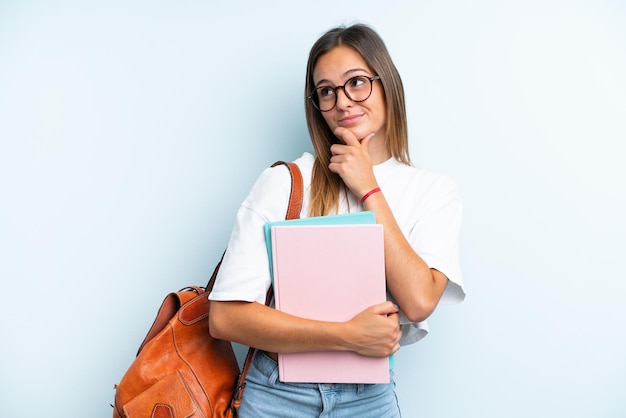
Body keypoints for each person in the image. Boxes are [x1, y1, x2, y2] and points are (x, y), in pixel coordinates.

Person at [209, 23, 465, 417]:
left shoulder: (432, 191)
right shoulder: (286, 181)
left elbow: (418, 302)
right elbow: (225, 317)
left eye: (357, 82)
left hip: (369, 399)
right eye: (326, 91)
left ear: (387, 85)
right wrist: (346, 337)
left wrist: (368, 188)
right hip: (278, 395)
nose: (343, 102)